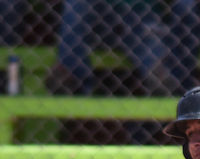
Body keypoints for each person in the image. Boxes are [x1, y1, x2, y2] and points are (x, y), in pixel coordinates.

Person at [46, 0, 175, 96]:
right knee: (77, 3)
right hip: (97, 20)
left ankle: (158, 75)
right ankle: (70, 74)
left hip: (139, 14)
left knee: (143, 26)